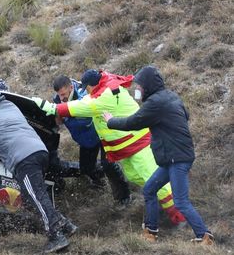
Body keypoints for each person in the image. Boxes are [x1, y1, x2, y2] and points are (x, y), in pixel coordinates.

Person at [34, 69, 186, 226]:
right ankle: (161, 203)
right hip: (122, 145)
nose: (86, 90)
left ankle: (179, 215)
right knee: (135, 176)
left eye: (88, 87)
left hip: (137, 144)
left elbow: (85, 107)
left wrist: (53, 108)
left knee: (151, 178)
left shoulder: (105, 96)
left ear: (93, 85)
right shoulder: (102, 90)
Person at [0, 85, 77, 254]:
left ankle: (56, 236)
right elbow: (0, 140)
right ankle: (64, 224)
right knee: (34, 195)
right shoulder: (10, 106)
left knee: (35, 197)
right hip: (39, 152)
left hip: (25, 158)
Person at [103, 66, 214, 245]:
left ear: (147, 85)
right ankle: (151, 231)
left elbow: (134, 122)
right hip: (171, 158)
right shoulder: (170, 96)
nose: (137, 90)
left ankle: (205, 236)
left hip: (177, 158)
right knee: (149, 190)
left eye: (139, 86)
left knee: (181, 201)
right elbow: (185, 115)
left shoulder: (156, 103)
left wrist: (110, 121)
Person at [46, 75, 131, 203]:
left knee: (109, 165)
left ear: (70, 87)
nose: (61, 97)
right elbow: (59, 120)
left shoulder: (84, 94)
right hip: (85, 140)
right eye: (59, 95)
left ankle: (124, 196)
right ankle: (99, 180)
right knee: (86, 168)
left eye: (63, 94)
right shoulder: (58, 99)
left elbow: (85, 119)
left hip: (101, 133)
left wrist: (65, 111)